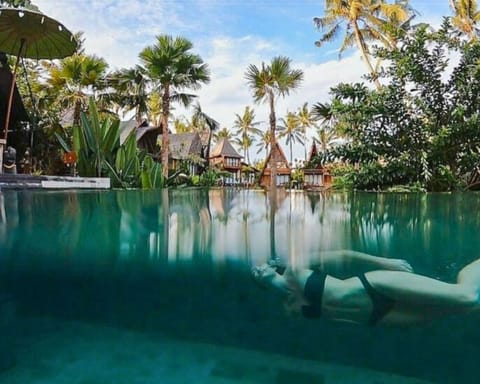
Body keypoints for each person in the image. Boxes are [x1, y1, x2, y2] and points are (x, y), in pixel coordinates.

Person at [252, 250, 480, 326]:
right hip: (377, 317)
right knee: (467, 308)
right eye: (255, 273)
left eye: (259, 266)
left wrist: (385, 263)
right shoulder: (289, 310)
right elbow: (333, 320)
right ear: (259, 287)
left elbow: (344, 255)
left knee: (466, 297)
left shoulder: (294, 267)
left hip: (372, 285)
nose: (258, 269)